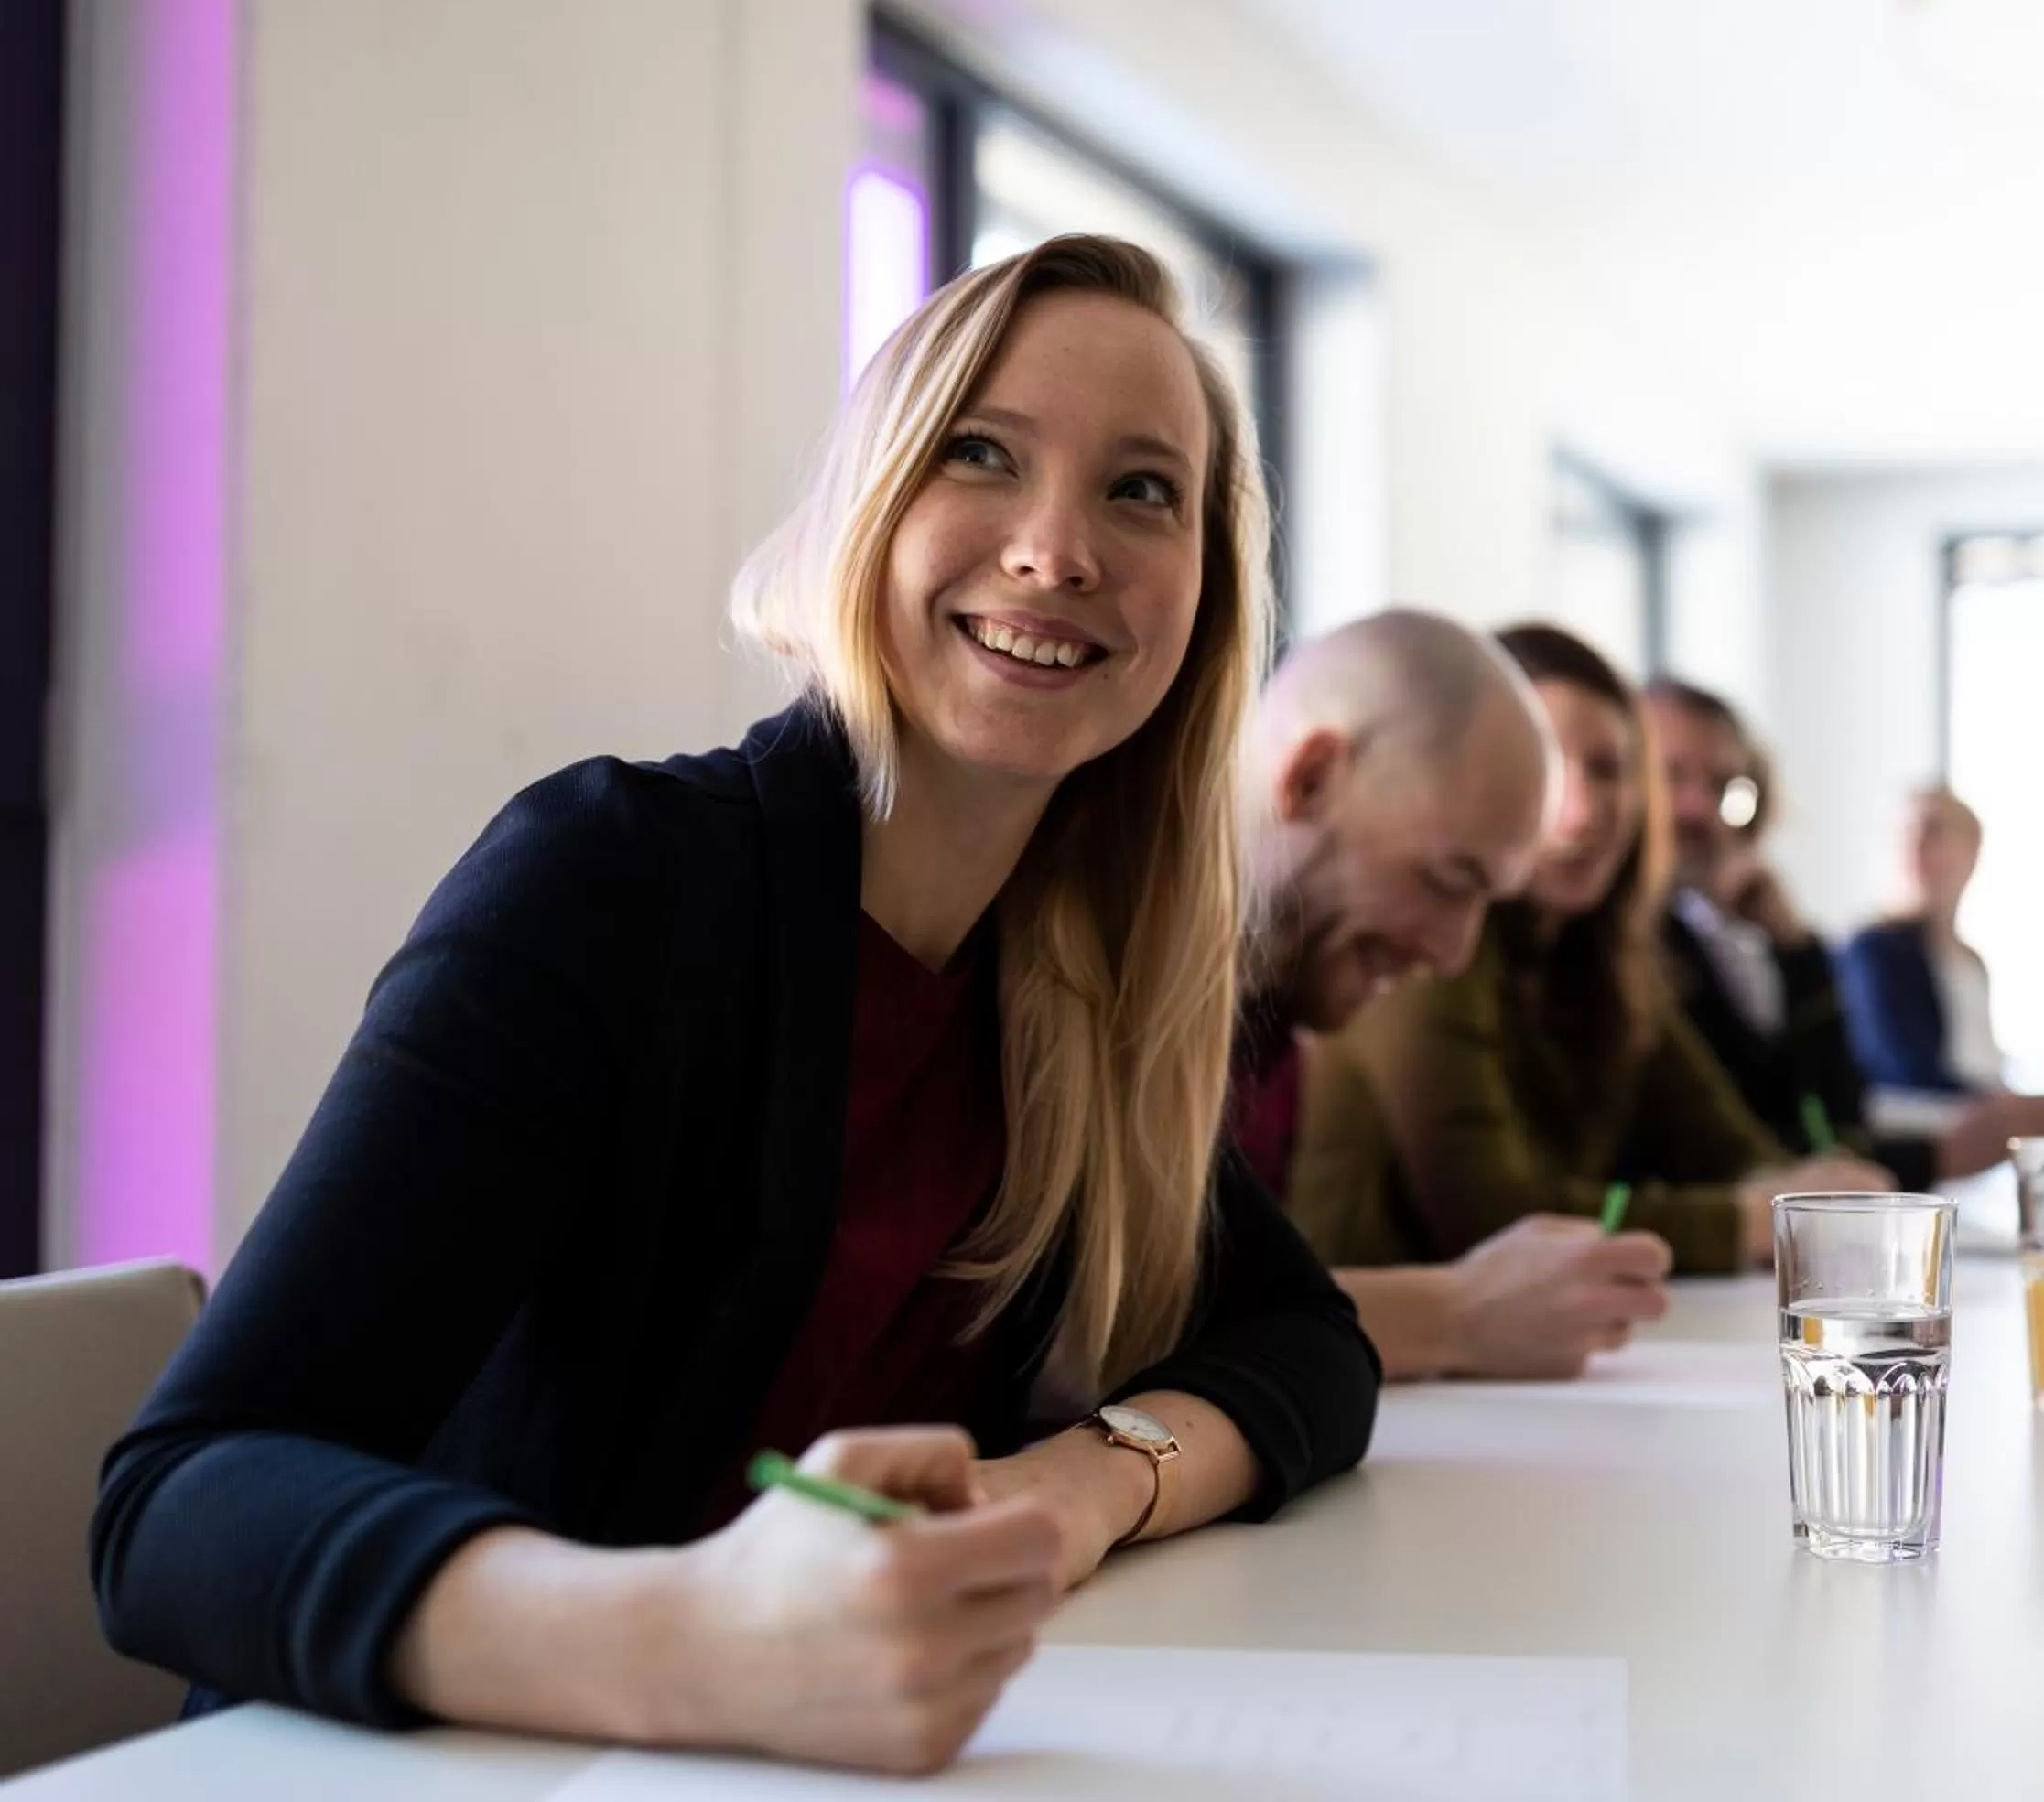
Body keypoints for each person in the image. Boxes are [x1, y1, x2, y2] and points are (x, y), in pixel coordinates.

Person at [89, 238, 1379, 1776]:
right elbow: (173, 1506)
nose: (1056, 550)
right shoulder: (614, 882)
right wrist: (691, 1640)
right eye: (981, 453)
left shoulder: (1067, 988)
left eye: (1142, 490)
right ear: (867, 507)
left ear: (1208, 606)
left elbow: (1307, 1344)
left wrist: (1082, 1485)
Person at [1287, 625, 1888, 1278]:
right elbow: (1495, 1213)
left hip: (1513, 1368)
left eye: (1608, 770)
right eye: (1545, 769)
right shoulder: (1423, 938)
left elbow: (1731, 1146)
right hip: (1383, 1362)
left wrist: (1810, 1192)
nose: (1583, 810)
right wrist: (1744, 1221)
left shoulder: (1602, 955)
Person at [1236, 609, 1674, 1380]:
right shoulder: (1107, 979)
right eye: (1445, 881)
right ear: (1310, 779)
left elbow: (1212, 1304)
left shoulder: (1277, 1023)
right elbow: (1099, 1339)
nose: (1452, 952)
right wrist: (1452, 1318)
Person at [1646, 684, 2044, 1185]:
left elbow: (1829, 1121)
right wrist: (1940, 1152)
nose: (1700, 808)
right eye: (1670, 775)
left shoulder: (1741, 940)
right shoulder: (1873, 951)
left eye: (1724, 787)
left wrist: (1798, 951)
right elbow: (1736, 1156)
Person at [1841, 788, 2002, 1095]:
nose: (1915, 845)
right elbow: (1899, 1068)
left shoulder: (1972, 961)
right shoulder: (1874, 950)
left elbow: (1984, 1063)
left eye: (1933, 831)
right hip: (1918, 1121)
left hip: (1975, 1111)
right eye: (1906, 833)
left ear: (1973, 849)